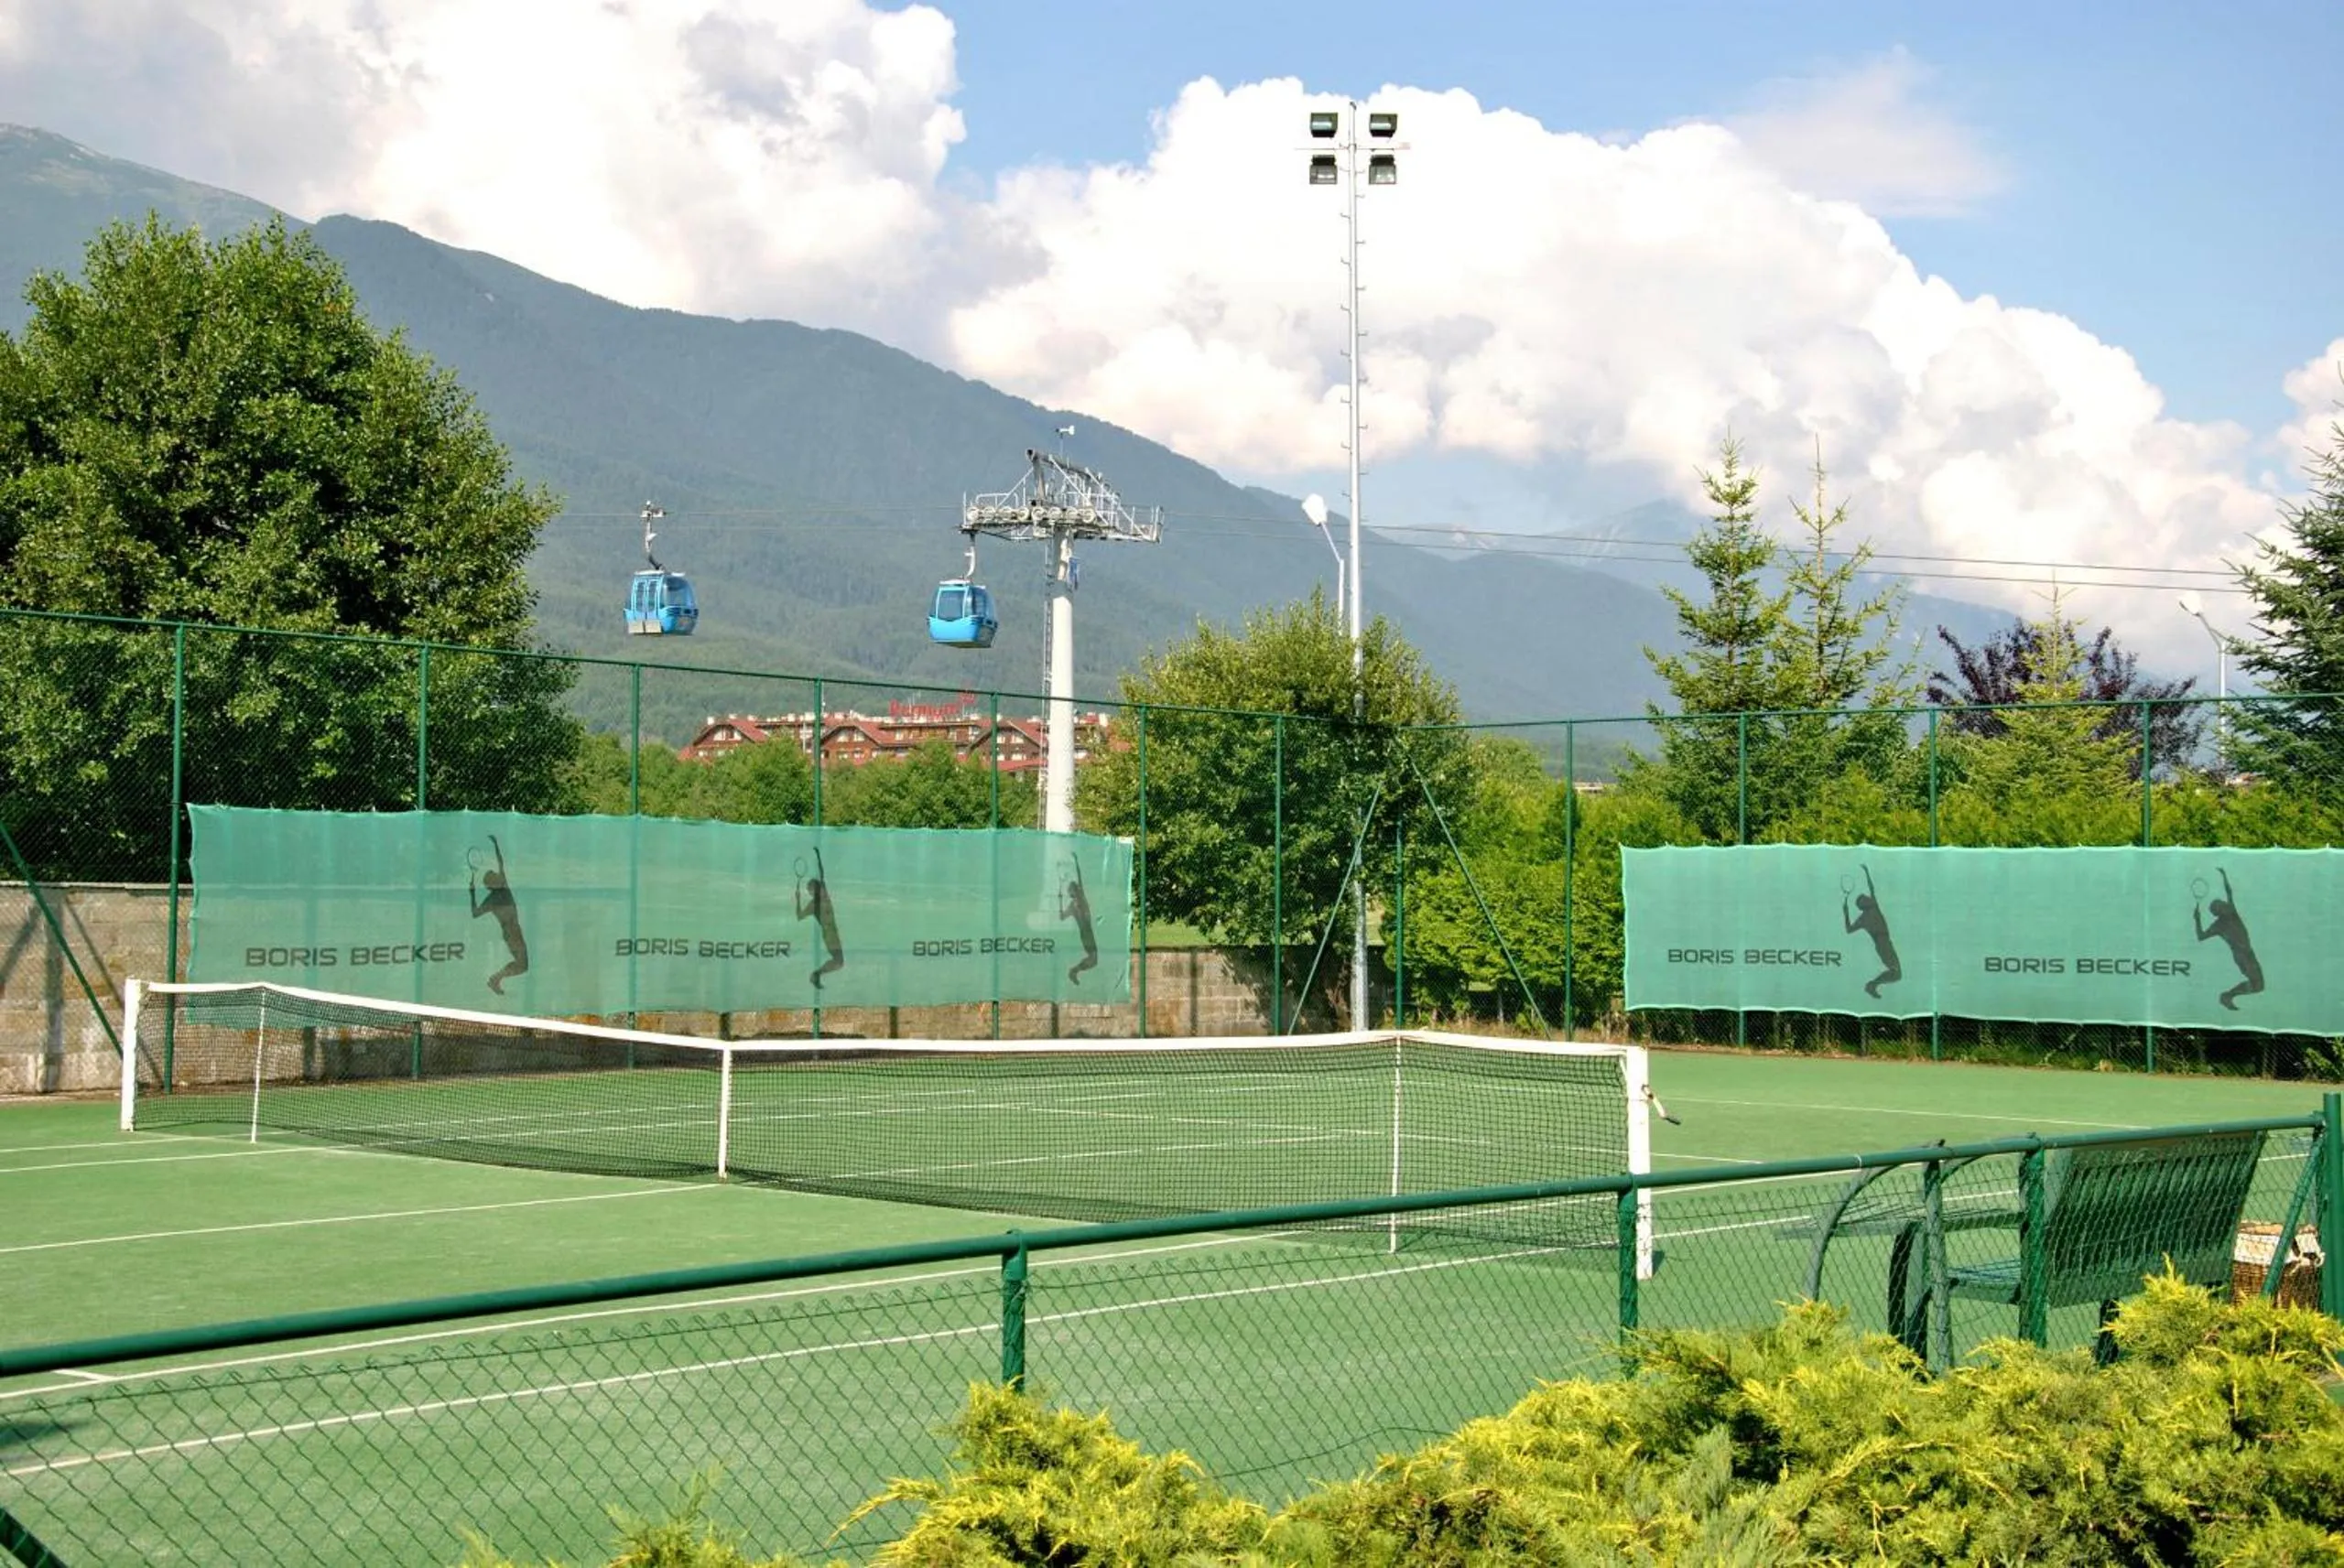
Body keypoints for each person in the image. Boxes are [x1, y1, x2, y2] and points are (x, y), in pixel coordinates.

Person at [2194, 868, 2263, 1011]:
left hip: (2248, 953)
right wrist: (2197, 919)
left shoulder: (2232, 913)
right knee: (2257, 983)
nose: (2225, 903)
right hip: (2242, 956)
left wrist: (2224, 875)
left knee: (2259, 986)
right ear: (2217, 911)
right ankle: (2227, 996)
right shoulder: (2219, 925)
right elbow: (2201, 936)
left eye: (2223, 902)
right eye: (2220, 904)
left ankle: (2227, 996)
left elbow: (2229, 891)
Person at [469, 835, 528, 995]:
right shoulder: (493, 898)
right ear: (490, 884)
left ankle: (496, 979)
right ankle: (496, 979)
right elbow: (475, 913)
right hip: (511, 932)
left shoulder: (503, 885)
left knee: (523, 965)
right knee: (523, 965)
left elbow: (501, 862)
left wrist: (496, 844)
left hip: (514, 930)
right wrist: (472, 895)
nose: (497, 874)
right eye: (493, 876)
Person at [1843, 864, 1901, 1000]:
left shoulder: (1874, 905)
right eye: (1864, 898)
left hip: (1887, 942)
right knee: (1896, 973)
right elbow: (1848, 930)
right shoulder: (1863, 918)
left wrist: (1867, 872)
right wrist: (1845, 912)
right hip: (1882, 944)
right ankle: (1872, 985)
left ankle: (1873, 985)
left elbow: (1871, 887)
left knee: (1897, 975)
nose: (1868, 897)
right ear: (1862, 905)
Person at [798, 849, 846, 989]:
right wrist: (798, 900)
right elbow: (800, 916)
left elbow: (822, 874)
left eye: (812, 888)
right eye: (810, 889)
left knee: (839, 962)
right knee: (839, 962)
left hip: (833, 933)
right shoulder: (813, 905)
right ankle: (815, 975)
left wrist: (818, 857)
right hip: (830, 935)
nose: (811, 890)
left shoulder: (824, 896)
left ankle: (816, 975)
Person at [1059, 857, 1099, 986]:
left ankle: (1074, 971)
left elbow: (1062, 917)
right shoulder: (1079, 899)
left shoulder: (1075, 902)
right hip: (1086, 933)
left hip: (1086, 933)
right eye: (1075, 888)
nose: (1078, 888)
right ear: (1074, 891)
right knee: (1094, 959)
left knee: (1093, 960)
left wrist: (1060, 902)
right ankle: (1074, 971)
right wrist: (1076, 861)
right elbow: (1062, 917)